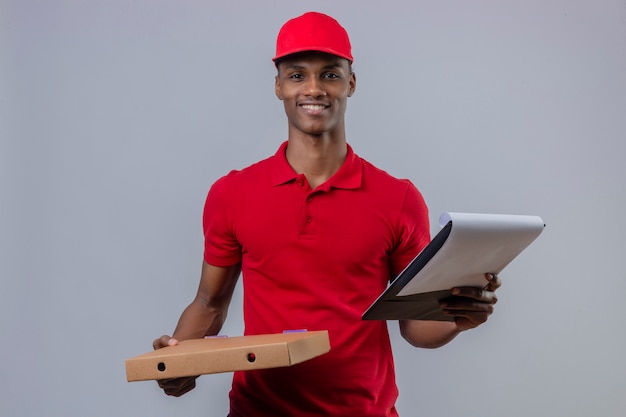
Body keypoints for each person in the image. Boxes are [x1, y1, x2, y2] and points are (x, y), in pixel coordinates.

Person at [153, 11, 500, 417]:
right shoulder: (232, 194)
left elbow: (418, 327)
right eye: (297, 75)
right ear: (279, 86)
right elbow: (209, 304)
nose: (314, 88)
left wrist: (459, 317)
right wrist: (176, 359)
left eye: (330, 74)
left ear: (351, 83)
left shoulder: (398, 199)